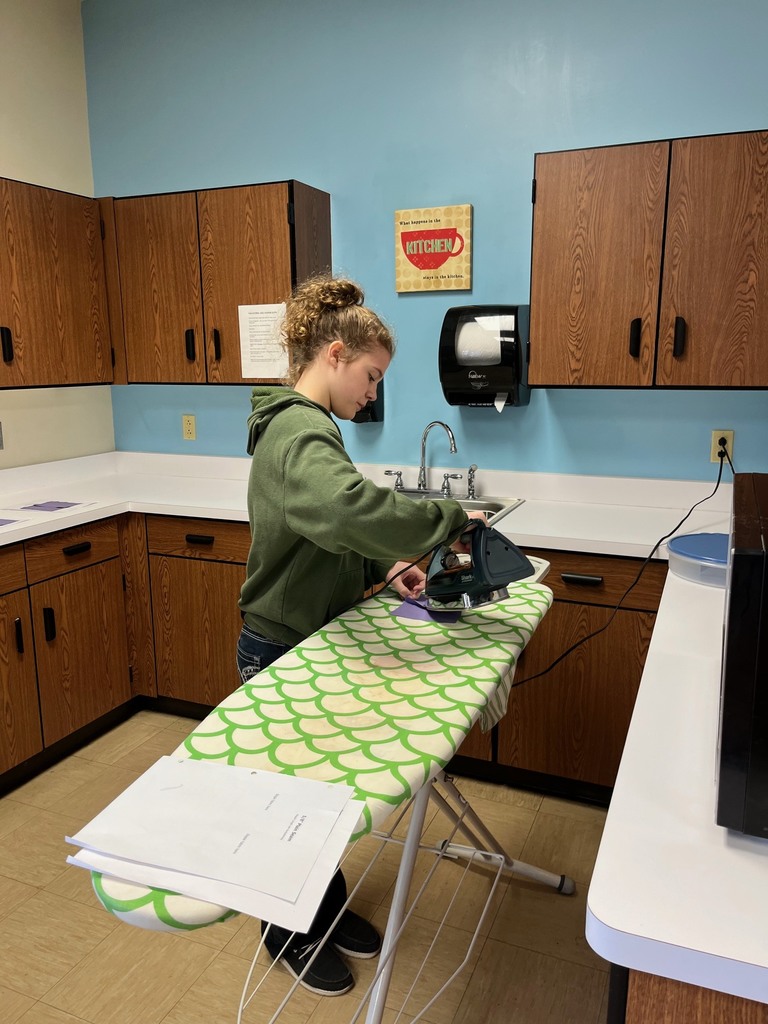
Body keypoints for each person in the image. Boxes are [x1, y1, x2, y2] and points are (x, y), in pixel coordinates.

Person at [236, 274, 483, 996]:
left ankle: (323, 905)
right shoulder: (296, 429)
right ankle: (286, 932)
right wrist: (443, 522)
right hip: (280, 643)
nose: (373, 393)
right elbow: (344, 509)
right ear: (336, 354)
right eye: (371, 377)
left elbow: (328, 530)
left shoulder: (314, 426)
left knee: (322, 794)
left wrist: (389, 560)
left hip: (307, 636)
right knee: (291, 802)